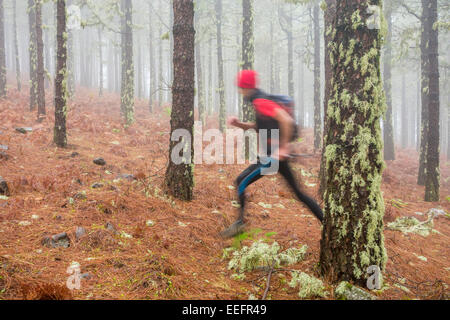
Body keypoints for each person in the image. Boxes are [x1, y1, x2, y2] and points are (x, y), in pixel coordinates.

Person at [220, 70, 324, 238]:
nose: (240, 92)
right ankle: (326, 222)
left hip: (273, 158)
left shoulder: (261, 102)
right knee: (300, 194)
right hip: (275, 157)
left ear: (247, 87)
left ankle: (239, 224)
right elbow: (259, 126)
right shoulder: (260, 101)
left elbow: (286, 120)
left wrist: (283, 147)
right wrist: (239, 124)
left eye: (241, 88)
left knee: (240, 181)